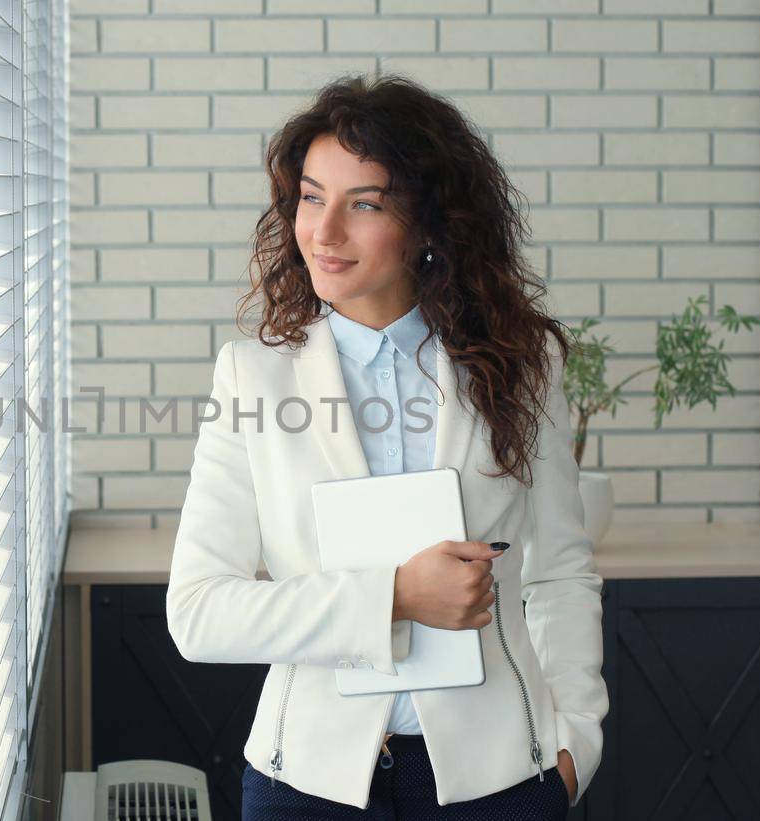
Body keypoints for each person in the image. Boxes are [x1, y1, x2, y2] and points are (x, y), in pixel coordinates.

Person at [164, 74, 607, 820]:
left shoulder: (520, 367)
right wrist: (395, 597)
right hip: (307, 785)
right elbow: (199, 613)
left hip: (498, 783)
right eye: (311, 197)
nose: (325, 231)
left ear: (432, 225)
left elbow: (560, 570)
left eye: (364, 203)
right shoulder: (253, 376)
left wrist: (576, 745)